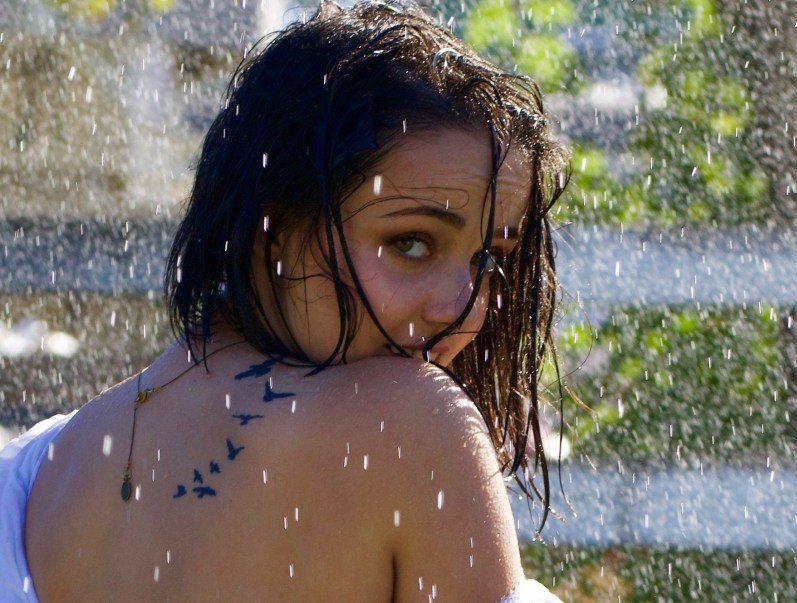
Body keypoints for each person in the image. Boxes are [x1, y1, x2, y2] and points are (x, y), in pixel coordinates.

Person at [0, 2, 571, 600]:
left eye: (490, 260)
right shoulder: (410, 426)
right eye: (410, 243)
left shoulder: (46, 469)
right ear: (269, 225)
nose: (464, 309)